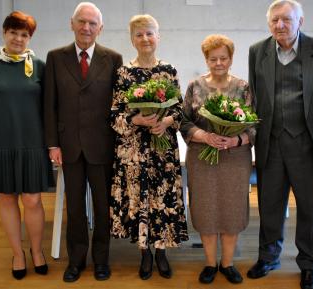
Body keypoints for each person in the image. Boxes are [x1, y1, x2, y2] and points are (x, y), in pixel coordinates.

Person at [247, 1, 313, 288]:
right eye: (275, 20)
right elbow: (256, 93)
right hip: (270, 142)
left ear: (301, 21)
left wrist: (310, 118)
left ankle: (309, 263)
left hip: (307, 142)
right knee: (269, 204)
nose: (280, 25)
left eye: (286, 19)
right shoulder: (257, 51)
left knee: (311, 207)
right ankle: (269, 255)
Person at [44, 2, 122, 282]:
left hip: (102, 147)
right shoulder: (55, 57)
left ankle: (101, 260)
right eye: (82, 22)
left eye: (92, 23)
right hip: (69, 147)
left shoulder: (113, 58)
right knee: (74, 208)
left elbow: (119, 106)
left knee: (103, 207)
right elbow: (49, 104)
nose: (86, 27)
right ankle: (75, 261)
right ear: (72, 24)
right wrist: (53, 144)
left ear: (100, 28)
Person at [0, 11, 50, 280]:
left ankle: (37, 251)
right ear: (4, 33)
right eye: (13, 32)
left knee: (32, 199)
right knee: (6, 199)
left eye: (24, 34)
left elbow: (49, 109)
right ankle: (18, 254)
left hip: (32, 143)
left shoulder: (39, 66)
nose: (18, 38)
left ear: (30, 38)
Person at [109, 14, 188, 281]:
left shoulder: (170, 70)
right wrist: (136, 119)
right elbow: (115, 115)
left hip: (162, 148)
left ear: (158, 36)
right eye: (139, 34)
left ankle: (162, 252)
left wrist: (166, 121)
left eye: (150, 33)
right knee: (139, 198)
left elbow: (180, 110)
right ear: (132, 39)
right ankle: (144, 253)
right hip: (133, 151)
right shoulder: (123, 73)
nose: (145, 39)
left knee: (162, 198)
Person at [180, 34, 254, 284]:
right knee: (206, 209)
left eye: (223, 58)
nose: (219, 62)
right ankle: (210, 264)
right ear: (206, 59)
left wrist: (236, 140)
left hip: (235, 158)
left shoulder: (243, 87)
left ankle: (228, 263)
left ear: (231, 59)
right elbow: (183, 120)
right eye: (213, 59)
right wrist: (203, 136)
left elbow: (254, 124)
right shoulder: (195, 86)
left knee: (232, 209)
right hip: (202, 157)